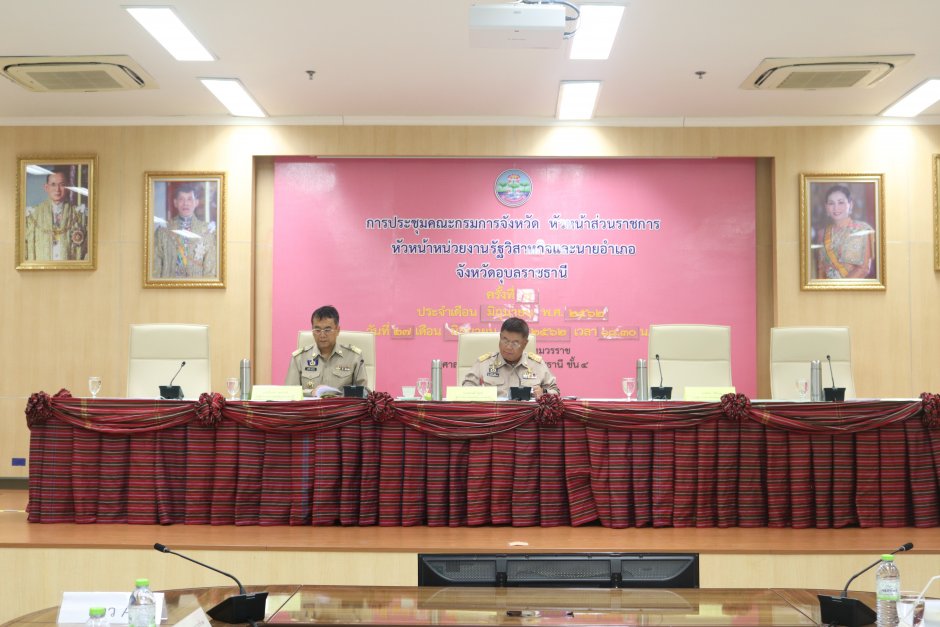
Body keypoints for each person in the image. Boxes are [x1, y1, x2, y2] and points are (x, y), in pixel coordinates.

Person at [462, 317, 559, 399]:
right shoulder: (484, 363)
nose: (508, 347)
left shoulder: (537, 364)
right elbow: (465, 391)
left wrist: (544, 392)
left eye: (515, 343)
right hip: (493, 414)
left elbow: (555, 392)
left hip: (527, 415)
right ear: (500, 337)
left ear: (525, 343)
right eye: (505, 340)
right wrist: (479, 394)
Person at [285, 305, 369, 396]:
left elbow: (364, 392)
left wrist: (338, 396)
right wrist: (311, 393)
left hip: (341, 405)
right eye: (317, 330)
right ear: (312, 331)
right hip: (310, 405)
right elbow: (289, 393)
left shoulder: (354, 357)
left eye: (327, 330)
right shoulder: (299, 358)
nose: (322, 335)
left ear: (337, 330)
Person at [152, 184, 217, 278]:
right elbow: (155, 268)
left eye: (189, 199)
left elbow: (210, 270)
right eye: (181, 199)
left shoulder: (207, 231)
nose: (185, 203)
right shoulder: (163, 231)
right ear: (175, 203)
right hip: (169, 285)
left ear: (196, 202)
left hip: (197, 285)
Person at [23, 168, 88, 261]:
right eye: (53, 184)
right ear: (46, 187)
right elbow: (24, 250)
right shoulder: (32, 215)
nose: (57, 189)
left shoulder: (80, 215)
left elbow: (87, 251)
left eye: (62, 185)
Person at [816, 184, 874, 279]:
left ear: (850, 205)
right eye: (831, 203)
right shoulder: (822, 234)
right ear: (826, 207)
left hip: (852, 287)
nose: (836, 208)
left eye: (841, 202)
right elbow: (821, 269)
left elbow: (863, 269)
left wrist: (841, 286)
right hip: (827, 287)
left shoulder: (862, 230)